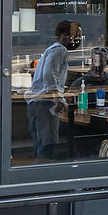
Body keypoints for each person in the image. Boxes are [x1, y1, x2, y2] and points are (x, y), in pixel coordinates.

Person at [26, 21, 80, 160]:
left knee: (40, 145)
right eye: (74, 35)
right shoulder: (59, 50)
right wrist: (57, 98)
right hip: (44, 104)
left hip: (36, 103)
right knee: (47, 146)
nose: (77, 39)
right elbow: (49, 74)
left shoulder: (52, 49)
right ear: (64, 35)